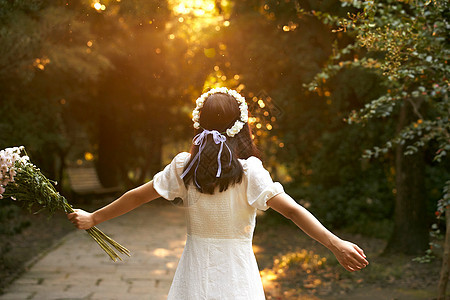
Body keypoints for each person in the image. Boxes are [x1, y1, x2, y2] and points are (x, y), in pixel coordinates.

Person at [68, 87, 368, 299]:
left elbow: (137, 196)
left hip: (194, 271)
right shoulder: (250, 171)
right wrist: (335, 243)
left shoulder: (185, 166)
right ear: (241, 126)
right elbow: (292, 210)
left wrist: (94, 217)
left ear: (200, 123)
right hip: (237, 274)